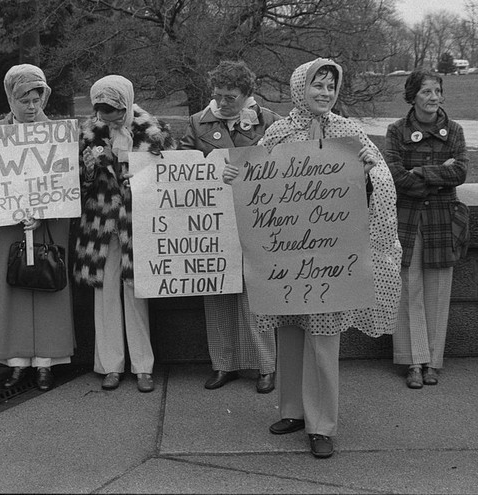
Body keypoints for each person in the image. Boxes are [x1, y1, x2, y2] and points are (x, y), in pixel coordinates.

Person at [225, 58, 401, 458]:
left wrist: (370, 174)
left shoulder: (348, 131)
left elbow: (382, 185)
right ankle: (293, 411)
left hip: (330, 258)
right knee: (289, 332)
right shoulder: (279, 131)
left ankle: (322, 424)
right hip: (288, 255)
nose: (325, 93)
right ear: (299, 88)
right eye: (317, 85)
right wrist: (235, 178)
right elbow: (256, 180)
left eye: (330, 86)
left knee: (323, 338)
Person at [179, 60, 281, 394]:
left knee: (258, 294)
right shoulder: (196, 123)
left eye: (231, 97)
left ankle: (267, 365)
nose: (223, 102)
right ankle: (224, 364)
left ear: (246, 94)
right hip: (214, 222)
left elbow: (287, 163)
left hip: (259, 219)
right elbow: (180, 170)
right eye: (218, 95)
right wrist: (211, 173)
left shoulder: (268, 121)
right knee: (217, 292)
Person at [74, 75, 175, 393]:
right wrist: (92, 165)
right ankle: (110, 365)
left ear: (127, 104)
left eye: (115, 112)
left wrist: (145, 171)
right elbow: (75, 179)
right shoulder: (89, 130)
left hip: (139, 221)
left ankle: (143, 366)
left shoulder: (152, 128)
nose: (110, 118)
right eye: (103, 113)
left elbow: (175, 172)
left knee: (137, 291)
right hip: (101, 221)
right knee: (104, 293)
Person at [0, 64, 75, 392]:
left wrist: (45, 214)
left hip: (50, 225)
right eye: (24, 100)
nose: (32, 106)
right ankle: (17, 361)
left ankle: (47, 363)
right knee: (12, 288)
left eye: (37, 98)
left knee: (49, 286)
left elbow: (66, 182)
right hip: (8, 223)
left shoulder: (59, 134)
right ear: (11, 98)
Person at [384, 69, 469, 389]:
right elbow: (395, 176)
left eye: (438, 91)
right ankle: (412, 362)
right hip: (406, 220)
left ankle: (432, 361)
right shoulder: (395, 131)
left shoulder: (455, 131)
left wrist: (417, 172)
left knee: (437, 291)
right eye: (427, 92)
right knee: (408, 289)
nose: (434, 98)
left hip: (442, 222)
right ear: (413, 96)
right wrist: (436, 174)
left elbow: (460, 172)